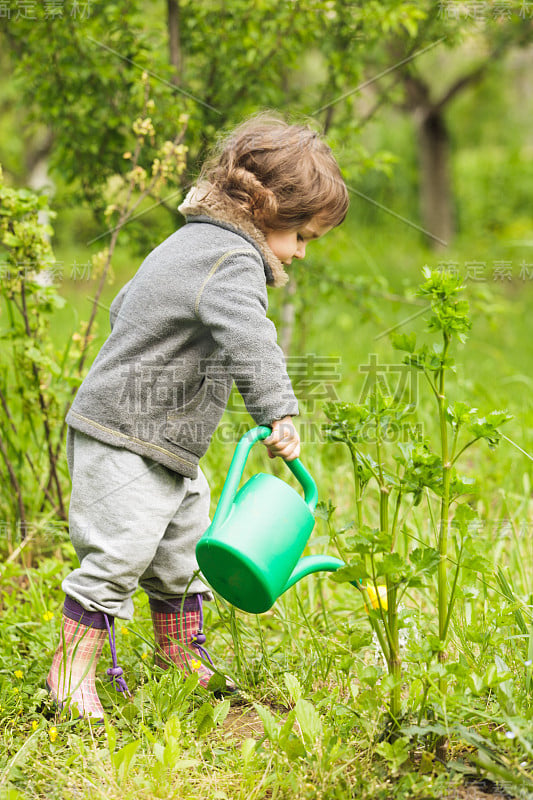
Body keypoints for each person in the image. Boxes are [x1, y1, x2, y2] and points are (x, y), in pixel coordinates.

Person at [46, 113, 349, 719]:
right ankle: (70, 672)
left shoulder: (190, 242)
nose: (301, 252)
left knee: (181, 550)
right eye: (301, 235)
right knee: (119, 553)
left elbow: (129, 309)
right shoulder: (232, 259)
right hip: (127, 436)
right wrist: (277, 410)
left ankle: (179, 655)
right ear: (267, 211)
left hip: (162, 440)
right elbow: (250, 336)